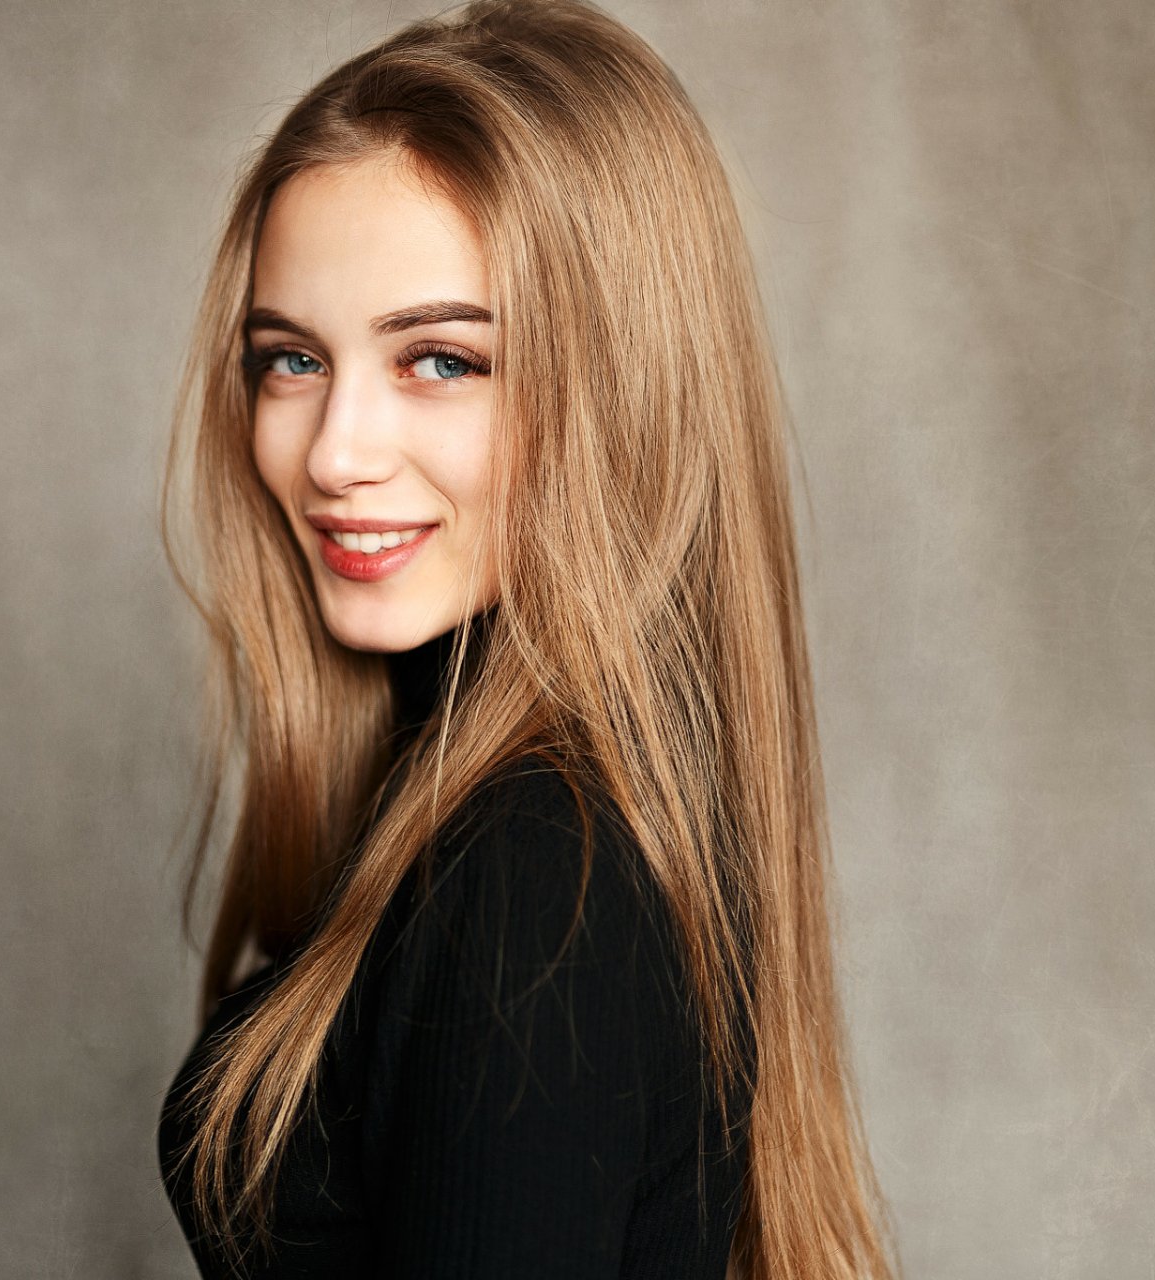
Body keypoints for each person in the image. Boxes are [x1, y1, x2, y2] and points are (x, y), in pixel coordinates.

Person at [154, 1, 898, 1277]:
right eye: (291, 360)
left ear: (624, 391)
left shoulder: (533, 875)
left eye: (441, 360)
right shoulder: (508, 809)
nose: (335, 451)